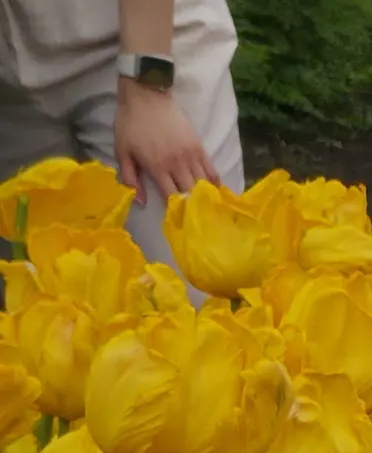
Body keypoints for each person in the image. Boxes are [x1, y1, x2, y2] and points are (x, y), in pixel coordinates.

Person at [0, 0, 242, 263]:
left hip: (143, 41)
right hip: (10, 84)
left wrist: (147, 82)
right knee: (34, 288)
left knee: (193, 283)